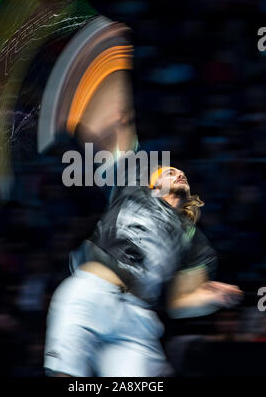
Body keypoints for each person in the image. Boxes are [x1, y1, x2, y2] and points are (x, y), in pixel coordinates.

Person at [44, 160, 243, 377]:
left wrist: (212, 299)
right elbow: (112, 141)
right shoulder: (132, 191)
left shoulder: (194, 239)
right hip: (91, 294)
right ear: (153, 183)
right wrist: (75, 124)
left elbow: (180, 304)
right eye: (170, 172)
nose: (179, 174)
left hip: (136, 317)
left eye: (181, 172)